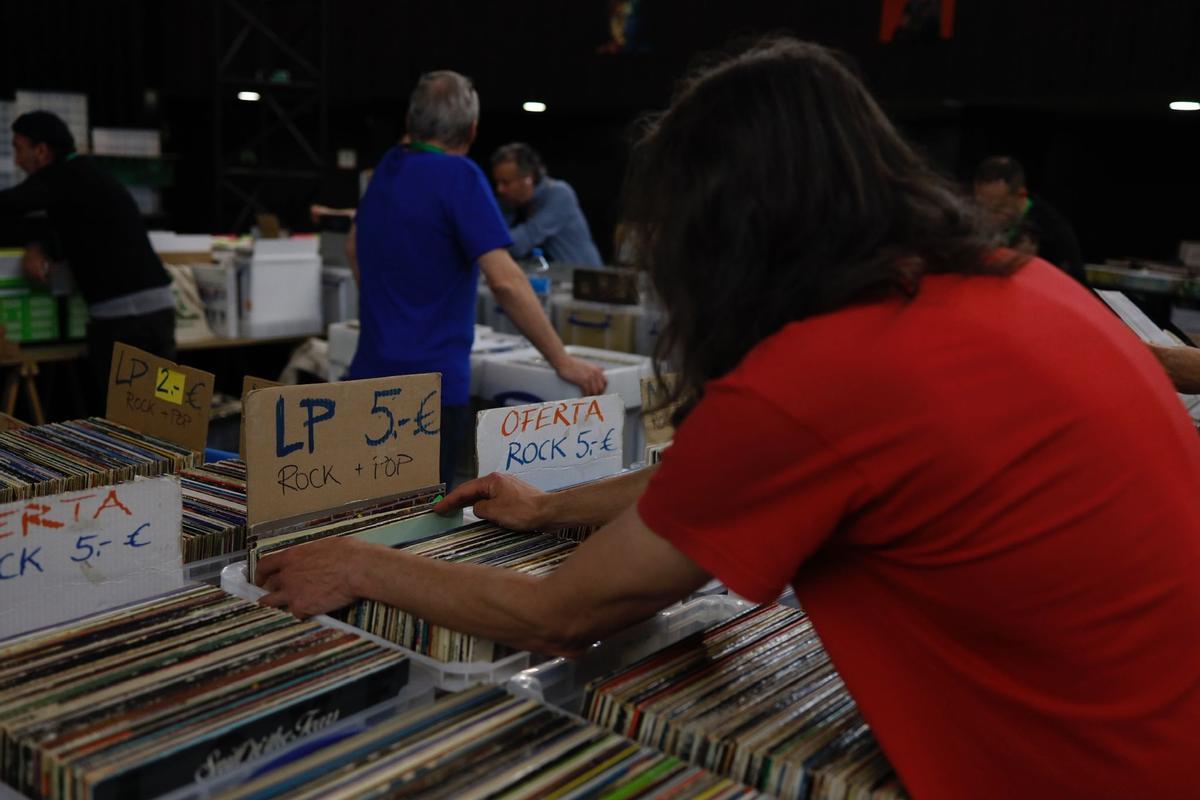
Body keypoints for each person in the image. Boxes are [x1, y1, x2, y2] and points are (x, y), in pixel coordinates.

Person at [257, 39, 1200, 798]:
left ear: (728, 228)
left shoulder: (824, 372)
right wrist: (545, 511)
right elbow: (713, 478)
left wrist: (360, 562)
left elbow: (559, 615)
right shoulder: (1024, 285)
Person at [344, 72, 605, 486]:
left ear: (410, 123)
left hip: (365, 377)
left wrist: (393, 304)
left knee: (368, 515)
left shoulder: (386, 170)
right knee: (422, 527)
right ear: (472, 130)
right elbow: (506, 282)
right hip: (429, 392)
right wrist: (561, 360)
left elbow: (353, 248)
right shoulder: (461, 177)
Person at [0, 111, 175, 412]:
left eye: (18, 148)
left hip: (127, 322)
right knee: (167, 413)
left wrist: (36, 244)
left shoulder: (63, 177)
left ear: (41, 151)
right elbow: (70, 227)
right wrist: (38, 245)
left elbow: (9, 205)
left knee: (127, 421)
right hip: (156, 314)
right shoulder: (86, 177)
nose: (16, 160)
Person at [973, 155, 1087, 283]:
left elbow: (1073, 282)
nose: (989, 216)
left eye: (999, 207)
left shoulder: (1053, 230)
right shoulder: (969, 220)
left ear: (1021, 194)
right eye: (983, 207)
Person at [491, 142, 603, 267]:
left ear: (529, 179)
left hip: (582, 278)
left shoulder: (559, 194)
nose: (499, 189)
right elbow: (491, 235)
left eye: (506, 183)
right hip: (549, 278)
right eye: (498, 183)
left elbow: (517, 245)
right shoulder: (511, 200)